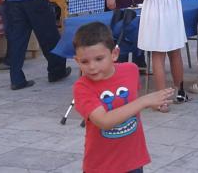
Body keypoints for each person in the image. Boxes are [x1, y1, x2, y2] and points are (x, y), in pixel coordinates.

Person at [73, 21, 175, 173]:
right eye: (85, 62)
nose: (92, 67)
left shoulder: (131, 70)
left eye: (99, 59)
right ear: (77, 61)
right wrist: (144, 101)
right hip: (102, 165)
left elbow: (131, 101)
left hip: (133, 160)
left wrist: (152, 103)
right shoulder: (82, 87)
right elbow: (104, 121)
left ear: (114, 54)